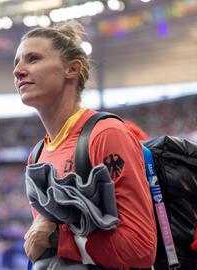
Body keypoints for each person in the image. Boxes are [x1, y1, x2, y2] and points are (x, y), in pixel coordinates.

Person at [13, 21, 157, 269]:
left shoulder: (106, 134)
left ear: (72, 68)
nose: (18, 71)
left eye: (33, 59)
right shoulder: (37, 156)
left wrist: (57, 238)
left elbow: (140, 249)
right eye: (16, 63)